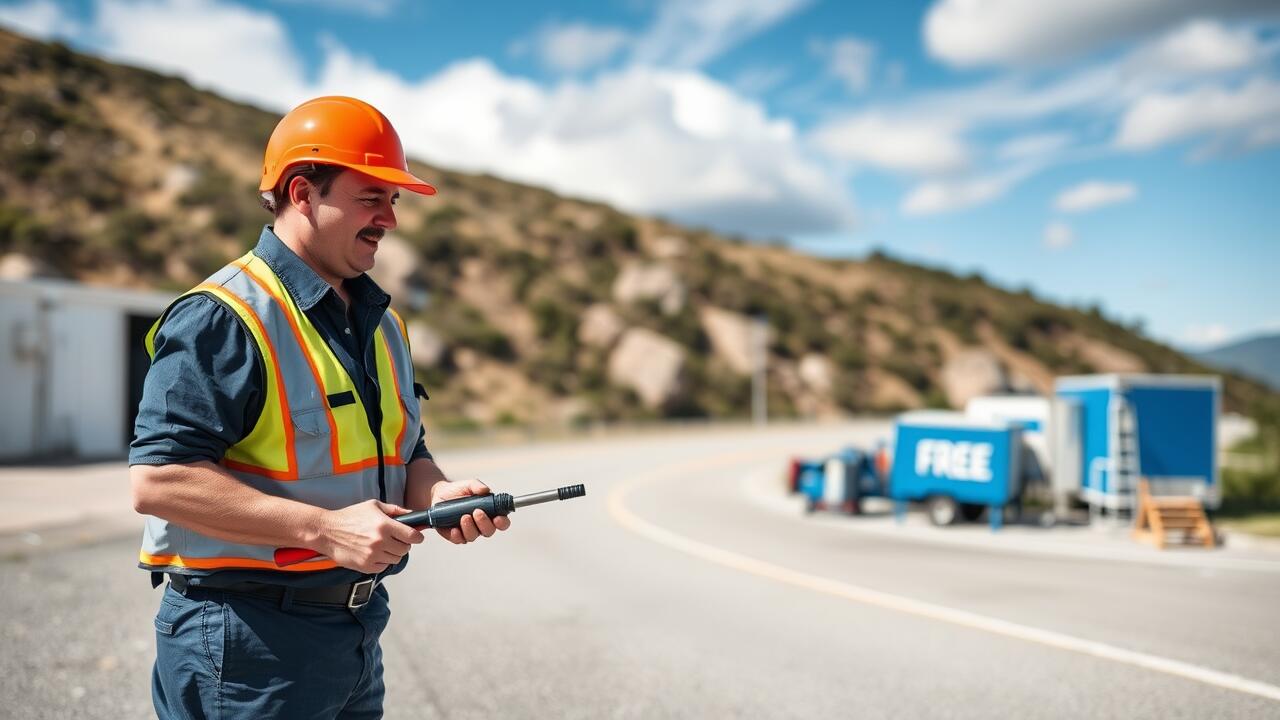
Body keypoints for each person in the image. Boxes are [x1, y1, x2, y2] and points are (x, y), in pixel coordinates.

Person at [129, 95, 510, 719]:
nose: (390, 219)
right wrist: (324, 529)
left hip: (355, 631)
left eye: (394, 201)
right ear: (303, 193)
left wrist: (439, 495)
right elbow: (159, 481)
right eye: (371, 197)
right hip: (245, 641)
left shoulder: (382, 326)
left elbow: (404, 448)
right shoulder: (225, 317)